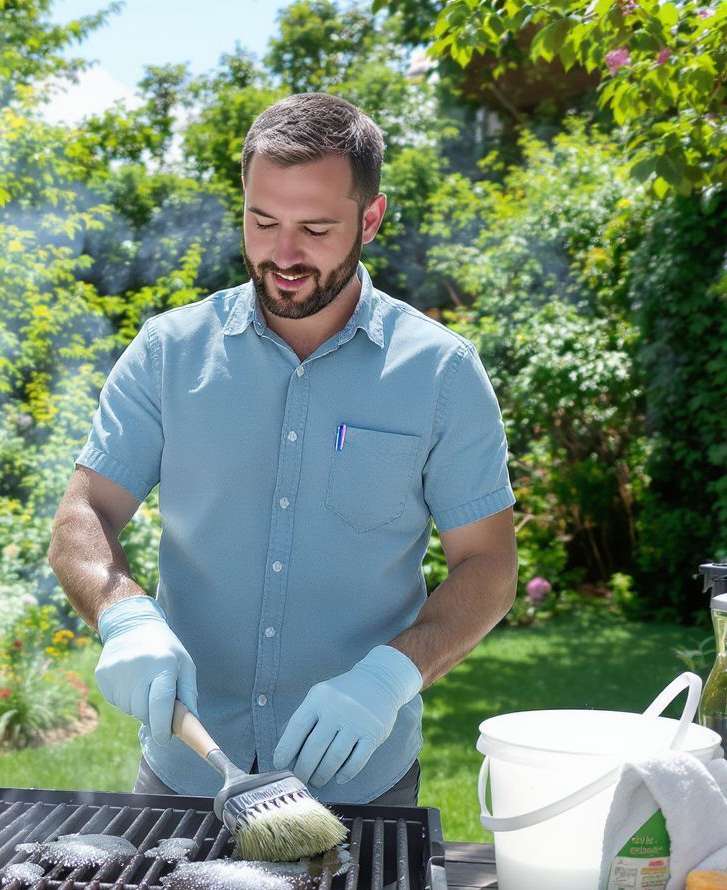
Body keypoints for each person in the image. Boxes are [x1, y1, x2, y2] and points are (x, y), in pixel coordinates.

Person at [48, 92, 517, 807]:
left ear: (371, 218)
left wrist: (390, 676)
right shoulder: (168, 353)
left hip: (362, 780)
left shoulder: (441, 373)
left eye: (315, 228)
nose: (284, 254)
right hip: (187, 771)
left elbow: (487, 564)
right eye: (262, 222)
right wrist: (123, 614)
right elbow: (85, 513)